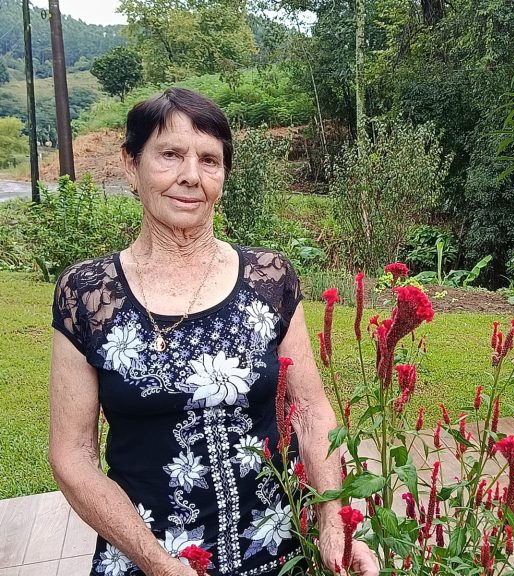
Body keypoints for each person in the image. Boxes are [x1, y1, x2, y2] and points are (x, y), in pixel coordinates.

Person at [49, 88, 378, 576]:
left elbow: (309, 410)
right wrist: (158, 564)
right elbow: (73, 455)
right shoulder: (87, 295)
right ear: (130, 165)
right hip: (148, 558)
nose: (191, 175)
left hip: (281, 551)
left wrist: (334, 521)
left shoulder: (269, 278)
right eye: (169, 155)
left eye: (209, 160)